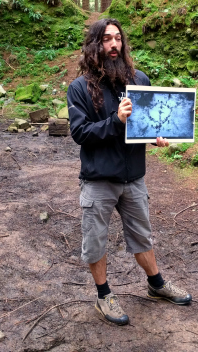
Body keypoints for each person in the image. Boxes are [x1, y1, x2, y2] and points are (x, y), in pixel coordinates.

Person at [67, 18, 191, 326]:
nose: (113, 45)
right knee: (96, 239)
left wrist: (156, 136)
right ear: (94, 45)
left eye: (118, 39)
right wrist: (115, 121)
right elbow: (80, 133)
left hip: (133, 176)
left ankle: (156, 285)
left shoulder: (139, 81)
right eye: (106, 39)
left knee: (142, 235)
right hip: (99, 180)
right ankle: (104, 294)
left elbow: (146, 125)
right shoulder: (80, 88)